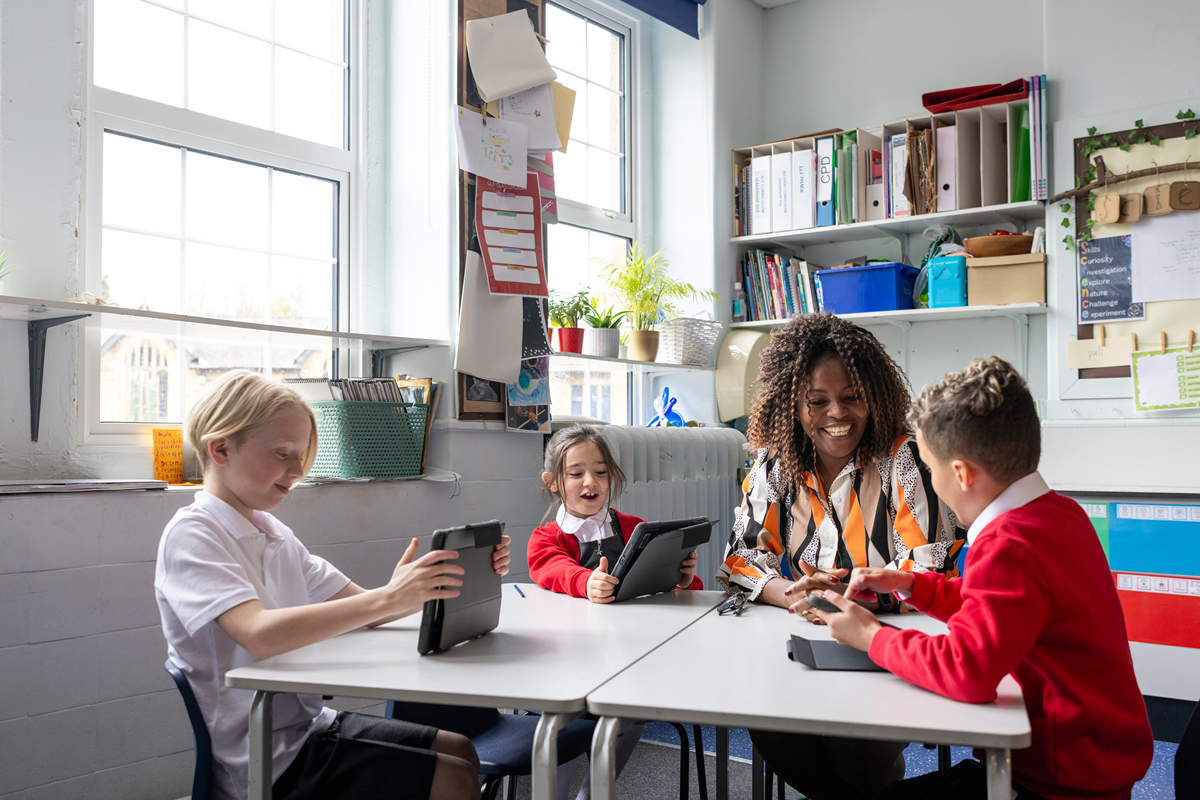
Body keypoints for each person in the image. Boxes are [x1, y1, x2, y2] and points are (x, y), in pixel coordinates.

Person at [154, 370, 513, 800]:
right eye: (283, 453)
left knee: (460, 750)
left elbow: (368, 608)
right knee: (451, 779)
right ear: (220, 448)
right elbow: (259, 634)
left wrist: (443, 579)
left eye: (302, 454)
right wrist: (388, 597)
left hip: (305, 727)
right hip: (263, 757)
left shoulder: (272, 532)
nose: (298, 469)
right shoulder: (194, 535)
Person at [815, 357, 1154, 800]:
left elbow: (967, 670)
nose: (932, 483)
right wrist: (911, 584)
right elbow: (1002, 608)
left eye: (932, 470)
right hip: (1085, 765)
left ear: (960, 474)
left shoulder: (1007, 544)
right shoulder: (1059, 514)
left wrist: (871, 636)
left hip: (1054, 782)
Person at [715, 313, 965, 800]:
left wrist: (852, 601)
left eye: (852, 396)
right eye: (818, 401)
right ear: (794, 404)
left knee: (857, 755)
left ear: (874, 394)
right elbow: (741, 558)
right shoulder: (773, 464)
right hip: (801, 639)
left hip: (890, 644)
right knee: (768, 729)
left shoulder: (906, 462)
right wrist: (791, 596)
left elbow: (930, 567)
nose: (837, 413)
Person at [527, 423, 702, 800]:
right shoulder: (547, 537)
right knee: (560, 723)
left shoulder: (635, 528)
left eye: (601, 471)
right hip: (567, 661)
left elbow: (679, 591)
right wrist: (586, 582)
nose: (591, 481)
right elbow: (550, 568)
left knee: (632, 712)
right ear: (553, 482)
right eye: (576, 473)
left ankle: (591, 795)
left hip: (626, 656)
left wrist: (684, 579)